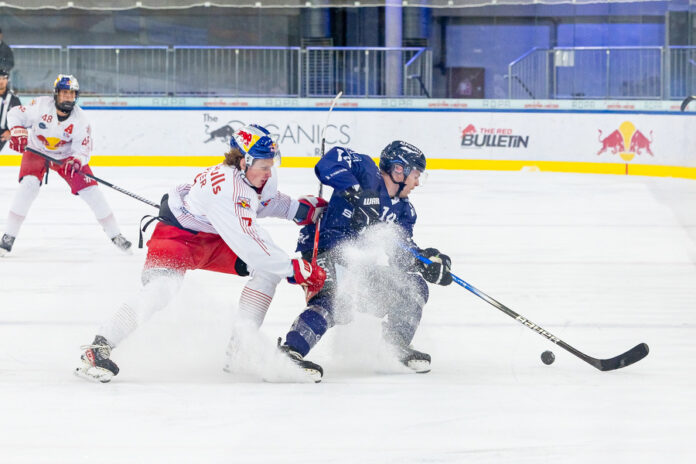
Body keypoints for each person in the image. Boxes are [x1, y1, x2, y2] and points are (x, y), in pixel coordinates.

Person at [75, 124, 328, 383]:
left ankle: (240, 349)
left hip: (215, 236)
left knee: (266, 270)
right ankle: (98, 347)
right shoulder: (229, 191)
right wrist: (294, 268)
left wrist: (299, 210)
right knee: (162, 289)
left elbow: (264, 200)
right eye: (263, 166)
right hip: (176, 236)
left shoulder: (253, 176)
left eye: (270, 164)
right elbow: (251, 242)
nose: (268, 172)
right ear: (243, 162)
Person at [278, 141, 453, 380]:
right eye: (415, 174)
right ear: (398, 170)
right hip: (325, 251)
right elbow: (328, 162)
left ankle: (394, 347)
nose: (417, 182)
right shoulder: (367, 173)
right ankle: (291, 351)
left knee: (413, 287)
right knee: (339, 299)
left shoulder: (404, 211)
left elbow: (400, 256)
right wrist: (355, 192)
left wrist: (425, 261)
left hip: (360, 266)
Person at [0, 74, 132, 256]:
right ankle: (8, 236)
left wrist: (77, 161)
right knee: (28, 186)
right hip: (37, 151)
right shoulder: (40, 106)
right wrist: (16, 130)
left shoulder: (81, 120)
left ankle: (116, 235)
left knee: (92, 192)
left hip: (66, 158)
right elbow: (14, 114)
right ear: (56, 94)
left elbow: (83, 150)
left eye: (72, 93)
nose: (68, 97)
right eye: (64, 93)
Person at [0, 67, 21, 152]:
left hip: (5, 137)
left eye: (4, 78)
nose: (1, 81)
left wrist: (11, 132)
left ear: (7, 79)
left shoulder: (13, 98)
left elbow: (20, 118)